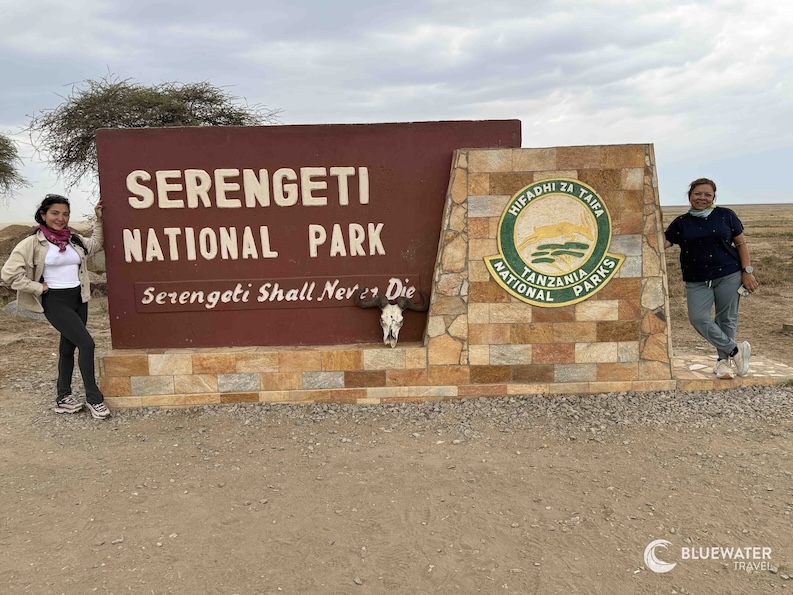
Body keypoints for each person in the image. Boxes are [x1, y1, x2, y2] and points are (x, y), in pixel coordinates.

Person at [1, 194, 110, 419]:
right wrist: (37, 288)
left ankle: (63, 398)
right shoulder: (32, 243)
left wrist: (98, 220)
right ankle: (94, 398)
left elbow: (97, 244)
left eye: (65, 214)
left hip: (79, 299)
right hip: (56, 301)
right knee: (87, 344)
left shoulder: (74, 240)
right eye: (55, 213)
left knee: (68, 348)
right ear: (43, 214)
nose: (61, 218)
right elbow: (8, 274)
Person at [664, 178, 758, 380]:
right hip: (696, 278)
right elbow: (662, 242)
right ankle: (735, 350)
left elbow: (741, 244)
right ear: (690, 196)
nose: (702, 198)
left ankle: (723, 363)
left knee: (726, 319)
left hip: (729, 274)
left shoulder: (726, 215)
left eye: (708, 194)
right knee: (698, 317)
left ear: (714, 197)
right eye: (698, 194)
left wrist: (747, 271)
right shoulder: (681, 223)